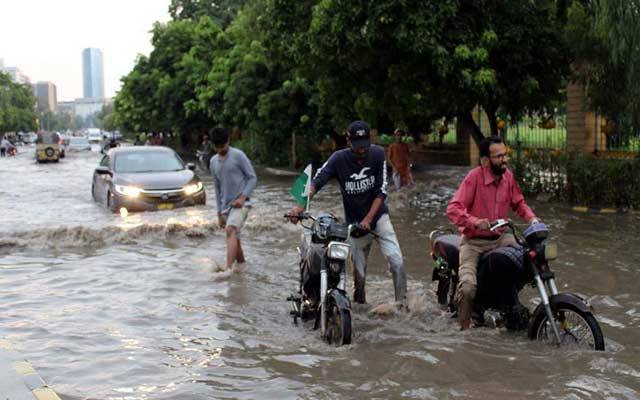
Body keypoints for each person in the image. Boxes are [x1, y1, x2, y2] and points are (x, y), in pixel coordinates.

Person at [288, 120, 407, 306]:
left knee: (397, 263)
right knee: (359, 275)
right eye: (357, 146)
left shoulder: (377, 154)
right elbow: (317, 181)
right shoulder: (338, 159)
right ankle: (360, 305)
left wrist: (369, 220)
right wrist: (300, 206)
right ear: (348, 140)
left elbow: (381, 191)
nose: (362, 150)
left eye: (365, 145)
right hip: (354, 224)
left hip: (379, 219)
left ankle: (403, 306)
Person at [446, 135, 540, 330]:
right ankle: (464, 329)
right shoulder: (474, 177)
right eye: (498, 156)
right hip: (473, 242)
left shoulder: (508, 177)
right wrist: (474, 222)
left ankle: (508, 305)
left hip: (501, 237)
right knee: (469, 287)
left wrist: (532, 219)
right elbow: (453, 208)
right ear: (486, 160)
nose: (504, 159)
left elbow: (519, 203)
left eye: (505, 155)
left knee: (527, 262)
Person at [209, 127, 257, 273]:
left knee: (230, 230)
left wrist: (242, 198)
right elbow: (217, 188)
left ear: (228, 141)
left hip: (241, 204)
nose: (220, 149)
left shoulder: (238, 156)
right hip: (225, 207)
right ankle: (242, 266)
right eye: (217, 147)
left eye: (222, 146)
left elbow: (252, 178)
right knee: (234, 238)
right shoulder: (213, 161)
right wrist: (218, 212)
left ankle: (228, 270)